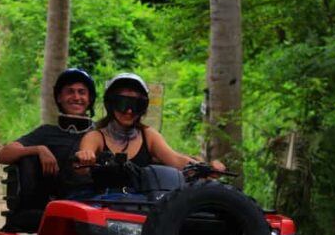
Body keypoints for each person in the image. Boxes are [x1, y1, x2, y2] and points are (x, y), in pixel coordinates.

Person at [76, 73, 226, 172]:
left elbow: (175, 159)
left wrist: (206, 168)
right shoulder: (96, 136)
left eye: (136, 105)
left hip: (142, 206)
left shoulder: (148, 135)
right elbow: (81, 167)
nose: (129, 111)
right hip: (103, 205)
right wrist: (85, 158)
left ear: (143, 108)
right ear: (111, 105)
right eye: (122, 104)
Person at [0, 68, 96, 179]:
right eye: (70, 91)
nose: (76, 97)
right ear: (59, 98)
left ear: (90, 99)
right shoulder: (46, 132)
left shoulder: (101, 133)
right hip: (57, 195)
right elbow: (3, 155)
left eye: (82, 92)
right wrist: (38, 149)